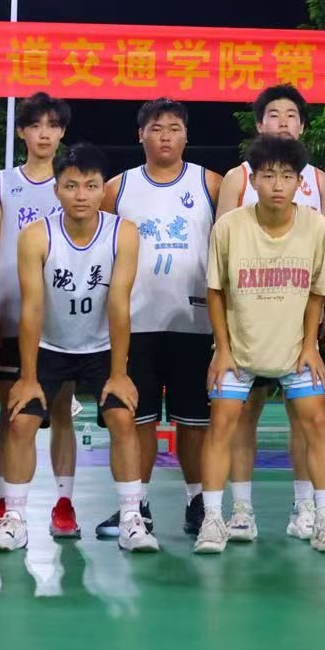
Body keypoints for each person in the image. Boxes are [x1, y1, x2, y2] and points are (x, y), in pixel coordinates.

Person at [0, 146, 150, 553]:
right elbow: (32, 308)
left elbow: (119, 304)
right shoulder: (36, 235)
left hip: (101, 347)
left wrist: (119, 373)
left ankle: (132, 518)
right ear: (56, 189)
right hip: (49, 346)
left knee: (122, 418)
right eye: (71, 186)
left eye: (91, 186)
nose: (81, 195)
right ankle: (15, 519)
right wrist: (27, 376)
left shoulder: (124, 233)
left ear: (102, 190)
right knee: (21, 420)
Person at [198, 135, 325, 553]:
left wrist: (311, 345)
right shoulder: (229, 227)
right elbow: (215, 292)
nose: (277, 184)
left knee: (316, 423)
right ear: (253, 180)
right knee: (223, 423)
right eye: (268, 176)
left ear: (299, 182)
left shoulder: (315, 226)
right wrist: (223, 349)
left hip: (295, 350)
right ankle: (218, 518)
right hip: (239, 350)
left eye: (287, 176)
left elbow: (317, 293)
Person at [103, 98, 219, 538]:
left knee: (194, 423)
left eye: (173, 128)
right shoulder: (117, 188)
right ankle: (137, 506)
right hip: (135, 324)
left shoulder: (210, 183)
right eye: (156, 128)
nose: (165, 136)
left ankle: (197, 502)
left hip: (195, 322)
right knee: (140, 420)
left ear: (186, 135)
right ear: (140, 135)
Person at [0, 92, 80, 541]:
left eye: (53, 125)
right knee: (11, 413)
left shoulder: (73, 184)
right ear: (21, 131)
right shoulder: (0, 183)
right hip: (10, 314)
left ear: (62, 132)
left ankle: (64, 504)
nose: (44, 134)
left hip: (61, 320)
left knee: (61, 412)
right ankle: (5, 503)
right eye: (35, 125)